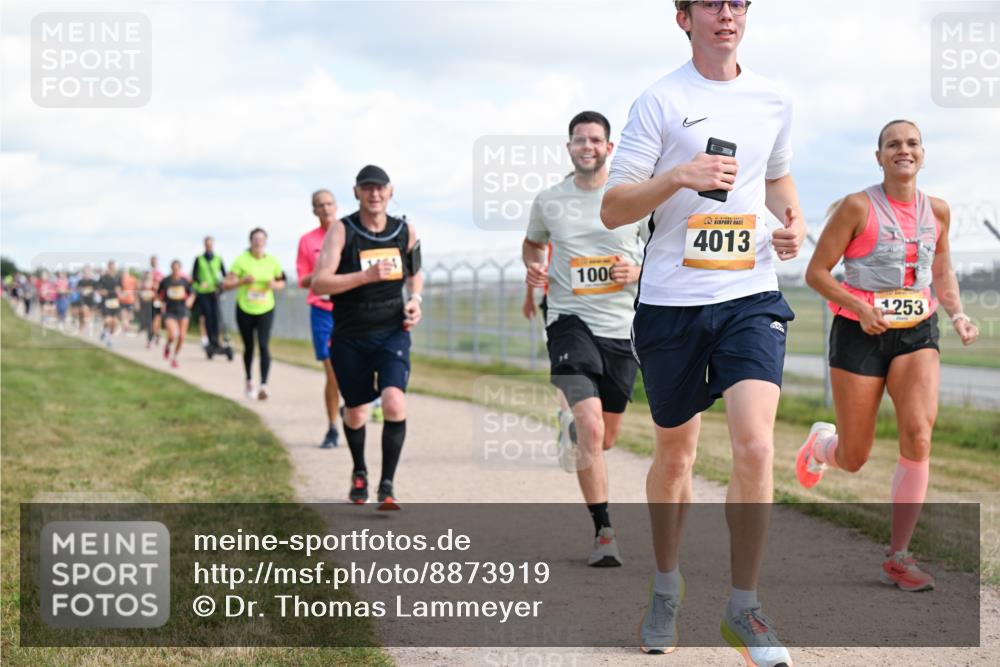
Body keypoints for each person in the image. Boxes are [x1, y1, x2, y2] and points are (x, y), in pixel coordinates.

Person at [602, 1, 805, 662]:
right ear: (684, 18)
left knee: (753, 444)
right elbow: (613, 207)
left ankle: (745, 606)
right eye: (711, 3)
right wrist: (677, 177)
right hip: (670, 305)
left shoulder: (774, 96)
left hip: (749, 293)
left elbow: (775, 176)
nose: (727, 13)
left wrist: (792, 220)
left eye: (738, 2)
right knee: (677, 456)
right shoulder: (659, 102)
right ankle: (666, 586)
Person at [795, 119, 979, 593]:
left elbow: (942, 270)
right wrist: (858, 305)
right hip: (860, 333)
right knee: (855, 457)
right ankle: (821, 447)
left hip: (918, 330)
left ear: (923, 152)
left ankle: (899, 556)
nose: (904, 150)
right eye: (893, 144)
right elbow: (817, 273)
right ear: (878, 156)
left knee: (919, 433)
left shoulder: (937, 211)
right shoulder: (858, 206)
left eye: (912, 143)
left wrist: (957, 314)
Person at [523, 111, 643, 567]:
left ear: (609, 147)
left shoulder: (633, 198)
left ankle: (574, 431)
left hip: (621, 326)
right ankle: (605, 532)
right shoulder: (550, 200)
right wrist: (533, 268)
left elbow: (661, 253)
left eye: (596, 139)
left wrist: (638, 271)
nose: (587, 146)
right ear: (569, 147)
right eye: (579, 139)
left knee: (604, 438)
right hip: (569, 320)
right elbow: (533, 243)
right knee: (591, 428)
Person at [312, 165, 423, 510]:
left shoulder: (405, 230)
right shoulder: (342, 231)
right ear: (357, 192)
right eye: (367, 188)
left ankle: (386, 486)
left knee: (393, 402)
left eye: (380, 188)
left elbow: (415, 274)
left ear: (390, 192)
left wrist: (415, 301)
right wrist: (365, 276)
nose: (374, 194)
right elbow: (320, 283)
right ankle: (359, 470)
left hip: (392, 330)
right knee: (357, 411)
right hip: (350, 334)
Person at [297, 189, 342, 449]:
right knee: (332, 372)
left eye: (329, 203)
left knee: (356, 368)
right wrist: (321, 274)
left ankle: (353, 409)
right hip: (321, 311)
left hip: (347, 310)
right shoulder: (307, 241)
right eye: (319, 205)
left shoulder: (347, 233)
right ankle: (333, 428)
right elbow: (303, 280)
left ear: (336, 205)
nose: (325, 208)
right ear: (314, 210)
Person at [223, 228, 286, 400]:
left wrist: (275, 285)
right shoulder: (241, 260)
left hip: (266, 308)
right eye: (255, 239)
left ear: (265, 242)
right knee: (249, 347)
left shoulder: (272, 261)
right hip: (245, 308)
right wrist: (243, 280)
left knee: (264, 345)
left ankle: (264, 384)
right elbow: (226, 284)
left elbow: (282, 282)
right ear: (250, 241)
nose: (258, 242)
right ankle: (249, 380)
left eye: (261, 239)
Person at [157, 260, 196, 368]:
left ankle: (174, 357)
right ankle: (168, 345)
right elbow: (158, 295)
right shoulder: (165, 281)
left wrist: (190, 300)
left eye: (177, 269)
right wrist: (161, 304)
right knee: (173, 335)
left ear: (180, 269)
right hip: (170, 311)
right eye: (174, 269)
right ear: (171, 269)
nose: (175, 271)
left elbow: (192, 293)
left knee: (182, 336)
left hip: (183, 310)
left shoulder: (184, 281)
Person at [191, 236, 227, 353]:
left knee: (217, 316)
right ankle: (210, 340)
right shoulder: (199, 259)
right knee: (207, 316)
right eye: (207, 244)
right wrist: (201, 283)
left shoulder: (218, 259)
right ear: (204, 245)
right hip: (203, 292)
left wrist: (221, 284)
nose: (209, 246)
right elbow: (194, 276)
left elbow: (224, 274)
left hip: (215, 292)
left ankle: (217, 340)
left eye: (210, 244)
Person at [98, 260, 122, 347]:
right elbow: (98, 289)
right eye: (110, 267)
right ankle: (105, 334)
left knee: (114, 322)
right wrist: (101, 291)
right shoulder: (103, 277)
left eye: (113, 267)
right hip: (106, 301)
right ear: (108, 267)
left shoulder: (117, 278)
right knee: (108, 320)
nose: (112, 269)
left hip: (114, 301)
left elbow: (120, 288)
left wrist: (119, 290)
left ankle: (109, 338)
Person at [75, 266, 98, 334]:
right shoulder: (80, 281)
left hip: (91, 300)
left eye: (88, 272)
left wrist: (92, 290)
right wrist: (81, 290)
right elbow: (77, 289)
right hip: (83, 300)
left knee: (89, 315)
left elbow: (96, 289)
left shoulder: (93, 282)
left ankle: (90, 328)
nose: (87, 274)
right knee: (83, 313)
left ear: (91, 273)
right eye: (85, 272)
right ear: (83, 273)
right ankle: (81, 327)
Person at [148, 255, 165, 347]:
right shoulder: (148, 273)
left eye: (155, 261)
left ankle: (155, 335)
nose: (153, 263)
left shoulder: (160, 274)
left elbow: (163, 287)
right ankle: (156, 335)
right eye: (152, 261)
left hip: (158, 299)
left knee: (157, 318)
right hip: (149, 299)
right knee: (152, 319)